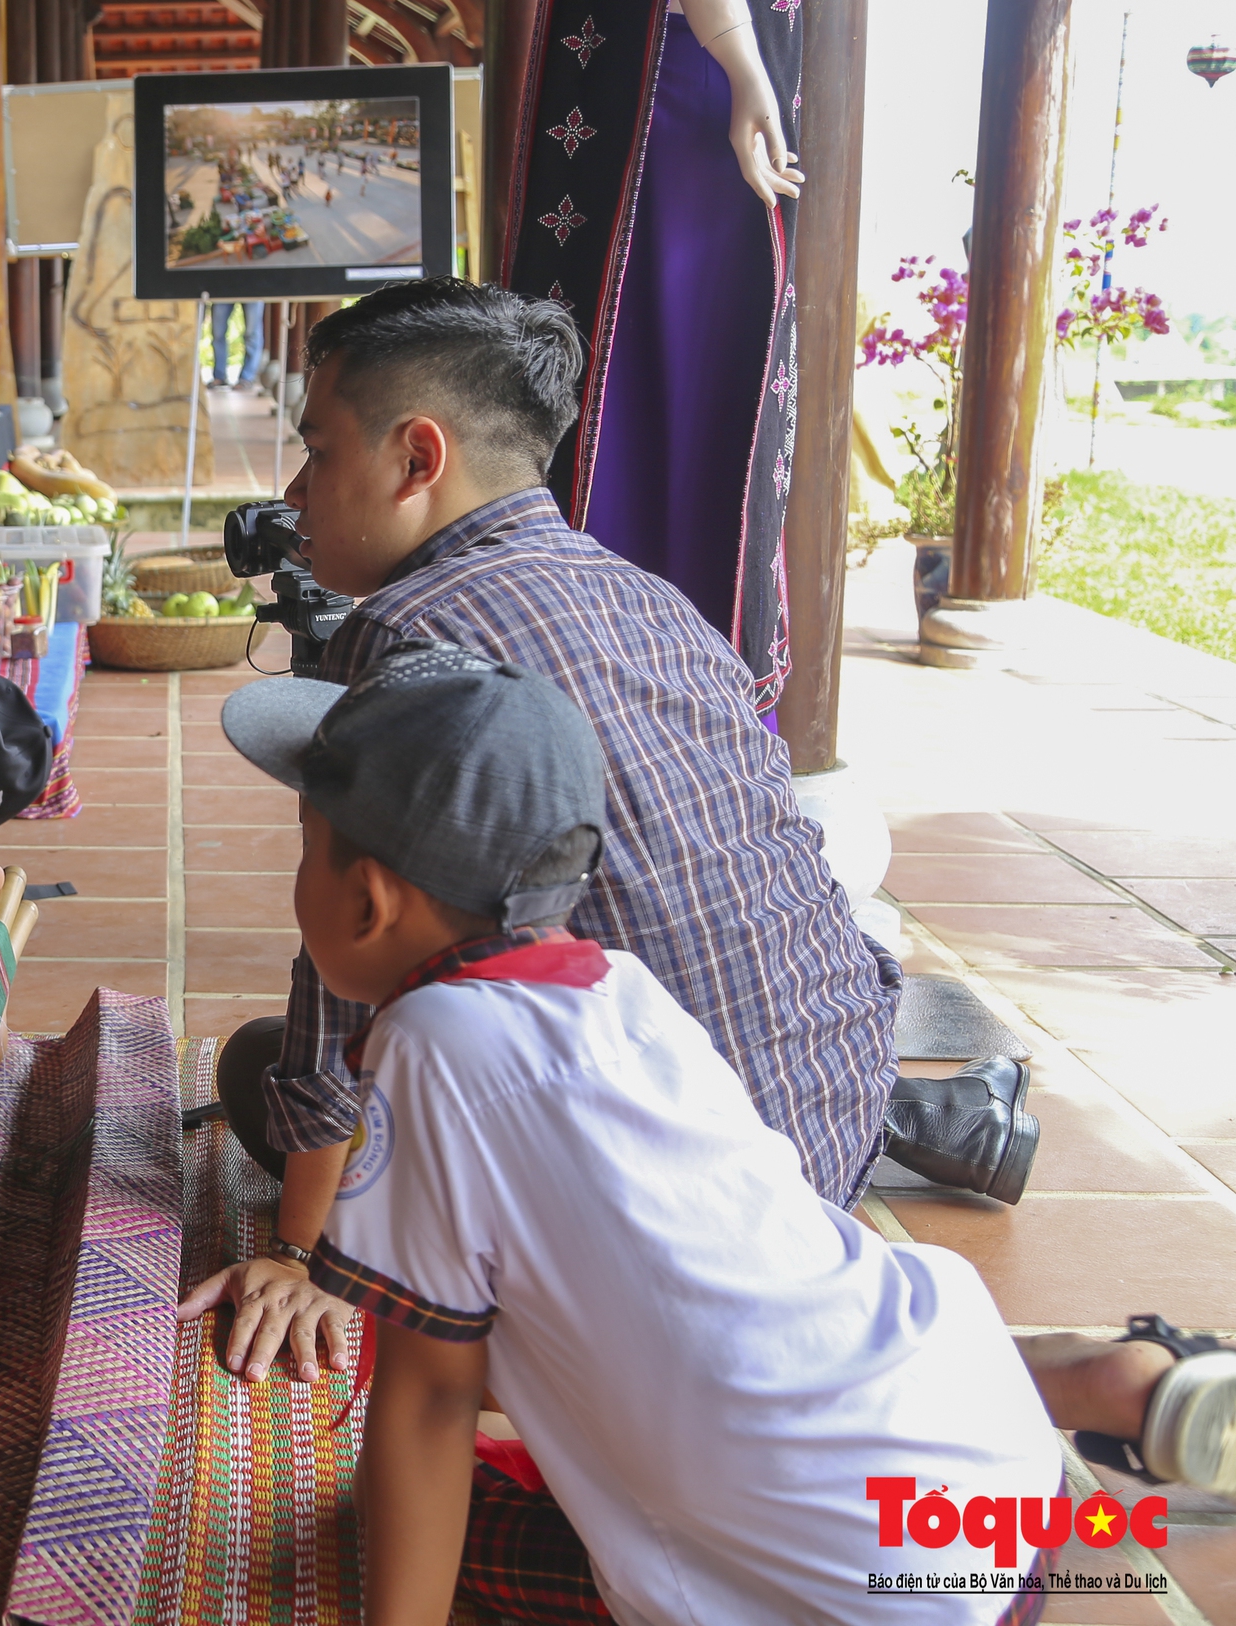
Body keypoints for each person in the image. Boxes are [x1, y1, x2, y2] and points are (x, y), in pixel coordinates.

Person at [177, 279, 1233, 1498]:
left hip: (670, 1188)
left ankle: (1018, 1373)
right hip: (830, 1097)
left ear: (419, 455)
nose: (298, 498)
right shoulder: (644, 590)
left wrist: (308, 1253)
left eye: (315, 453)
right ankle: (1081, 1371)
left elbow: (352, 973)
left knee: (267, 1074)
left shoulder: (410, 636)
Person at [218, 651, 1062, 1623]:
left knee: (395, 1506)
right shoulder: (616, 988)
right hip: (994, 1493)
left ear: (367, 899)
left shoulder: (432, 1040)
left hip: (859, 1595)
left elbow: (426, 1401)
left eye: (307, 846)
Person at [505, 0, 806, 710]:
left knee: (682, 397)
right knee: (667, 392)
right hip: (676, 73)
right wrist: (743, 66)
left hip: (691, 60)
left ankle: (647, 710)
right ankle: (662, 720)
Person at [209, 300, 264, 390]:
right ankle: (219, 376)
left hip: (253, 289)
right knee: (217, 333)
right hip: (223, 289)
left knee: (252, 334)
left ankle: (247, 378)